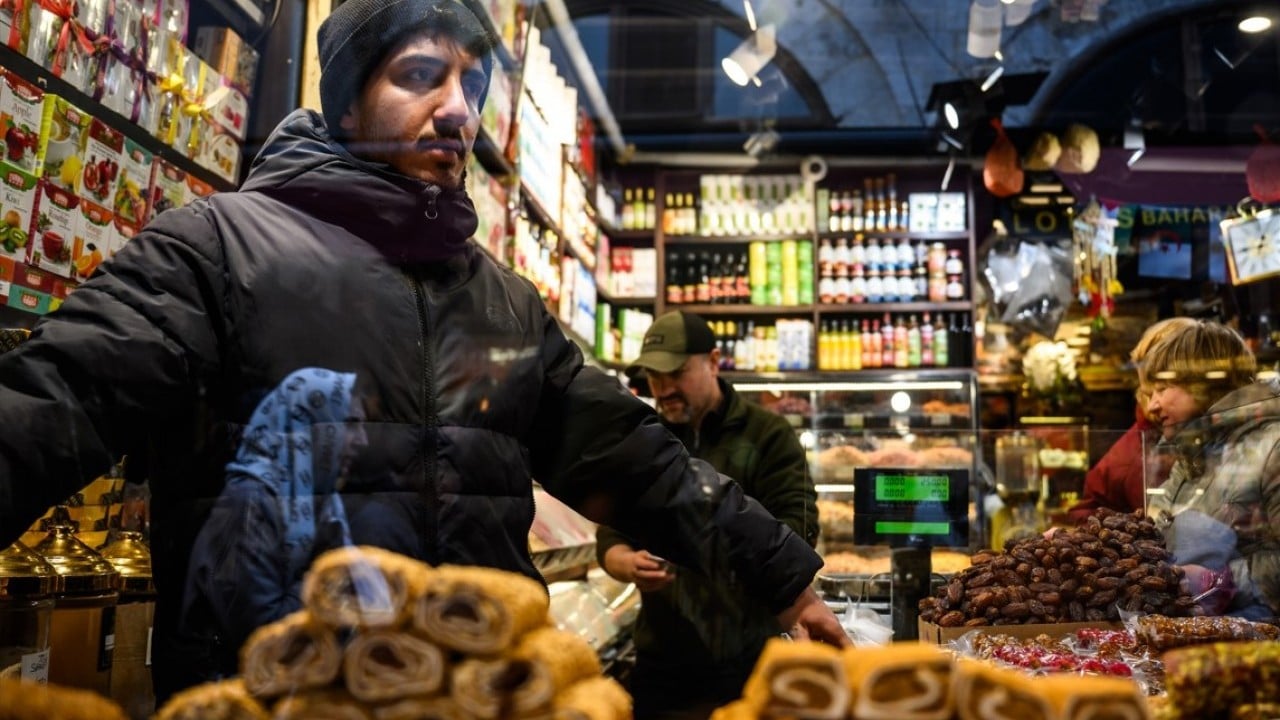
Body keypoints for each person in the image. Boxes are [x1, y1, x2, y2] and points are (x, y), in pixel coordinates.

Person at [0, 0, 846, 699]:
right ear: (345, 103)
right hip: (283, 700)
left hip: (474, 699)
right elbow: (53, 401)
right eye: (419, 76)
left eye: (470, 83)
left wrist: (783, 578)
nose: (458, 109)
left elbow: (639, 460)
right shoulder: (216, 251)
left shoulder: (504, 300)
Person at [598, 312, 817, 720]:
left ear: (714, 361)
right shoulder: (645, 439)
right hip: (663, 664)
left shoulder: (767, 434)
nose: (663, 390)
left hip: (751, 658)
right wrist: (625, 563)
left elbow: (798, 527)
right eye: (653, 377)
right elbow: (610, 532)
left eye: (676, 374)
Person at [184, 367, 365, 669]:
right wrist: (330, 573)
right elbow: (262, 633)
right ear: (309, 426)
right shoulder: (251, 502)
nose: (363, 440)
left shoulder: (322, 501)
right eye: (350, 424)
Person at [1143, 320, 1279, 619]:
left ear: (1204, 383)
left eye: (1163, 388)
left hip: (1260, 650)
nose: (1151, 405)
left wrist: (1223, 582)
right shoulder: (1190, 459)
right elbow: (1152, 537)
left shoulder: (1273, 446)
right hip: (1196, 640)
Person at [1067, 317, 1197, 523]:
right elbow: (1087, 512)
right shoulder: (1138, 450)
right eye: (1155, 388)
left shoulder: (1184, 434)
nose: (1155, 402)